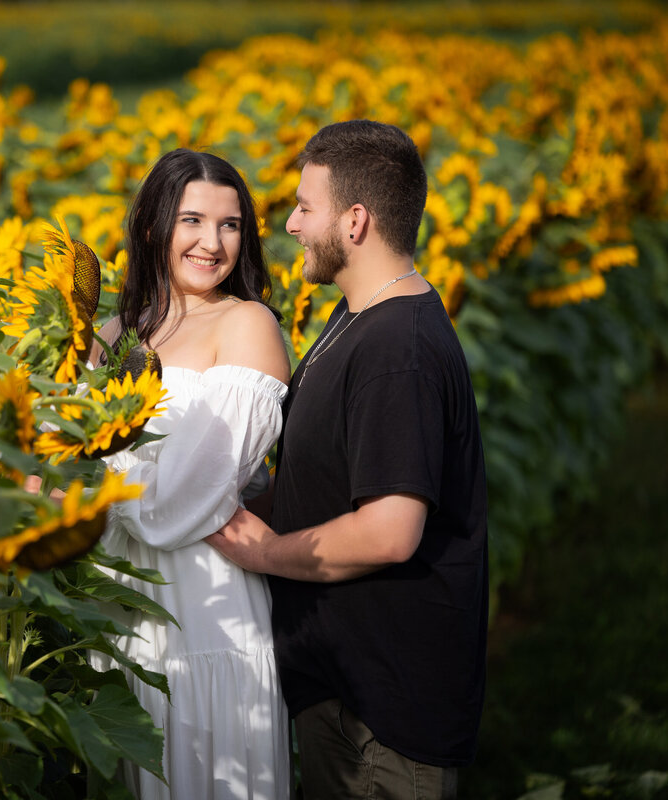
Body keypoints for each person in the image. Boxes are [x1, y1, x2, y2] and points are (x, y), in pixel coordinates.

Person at [206, 120, 488, 799]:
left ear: (355, 221)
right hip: (346, 684)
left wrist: (262, 551)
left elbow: (390, 532)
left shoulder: (398, 350)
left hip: (385, 715)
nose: (292, 224)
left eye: (306, 206)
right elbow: (324, 477)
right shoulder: (359, 317)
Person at [88, 148, 293, 800]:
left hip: (206, 615)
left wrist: (82, 491)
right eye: (193, 221)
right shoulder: (112, 334)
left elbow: (184, 496)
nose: (212, 243)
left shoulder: (247, 324)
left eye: (230, 225)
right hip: (120, 610)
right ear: (152, 227)